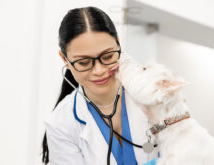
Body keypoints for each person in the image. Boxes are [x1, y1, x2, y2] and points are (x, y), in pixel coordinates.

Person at [42, 6, 159, 165]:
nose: (99, 70)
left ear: (118, 43)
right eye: (83, 62)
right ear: (65, 60)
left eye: (108, 56)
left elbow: (188, 150)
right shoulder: (61, 124)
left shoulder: (155, 92)